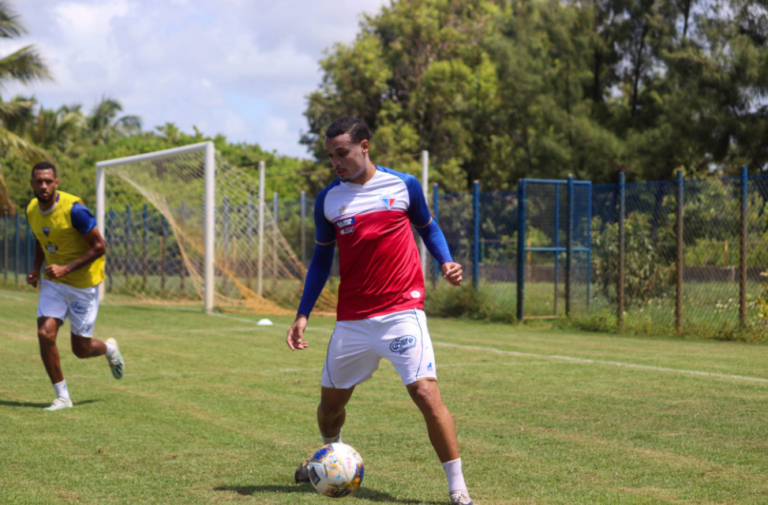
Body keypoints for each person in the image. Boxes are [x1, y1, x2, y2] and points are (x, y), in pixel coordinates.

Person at [285, 117, 474, 505]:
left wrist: (446, 261)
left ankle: (459, 492)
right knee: (330, 407)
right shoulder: (328, 200)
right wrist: (303, 312)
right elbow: (322, 261)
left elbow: (429, 228)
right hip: (352, 321)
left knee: (425, 392)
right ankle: (329, 458)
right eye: (330, 156)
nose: (336, 162)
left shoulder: (403, 184)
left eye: (343, 153)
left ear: (365, 146)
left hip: (402, 311)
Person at [26, 161, 124, 411]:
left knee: (81, 349)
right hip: (54, 284)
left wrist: (66, 268)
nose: (44, 185)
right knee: (45, 334)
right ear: (32, 184)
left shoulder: (75, 210)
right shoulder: (31, 209)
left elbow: (100, 247)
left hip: (83, 285)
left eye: (49, 181)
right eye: (39, 181)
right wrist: (36, 269)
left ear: (56, 182)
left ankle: (110, 349)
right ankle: (62, 397)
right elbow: (40, 238)